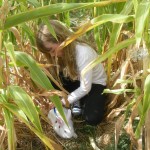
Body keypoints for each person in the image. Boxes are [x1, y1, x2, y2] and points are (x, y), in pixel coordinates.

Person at [36, 20, 107, 126]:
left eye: (51, 50)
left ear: (60, 39)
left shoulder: (83, 52)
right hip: (76, 79)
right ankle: (77, 99)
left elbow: (85, 88)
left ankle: (78, 100)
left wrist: (62, 102)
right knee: (47, 77)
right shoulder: (64, 51)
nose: (51, 55)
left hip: (94, 84)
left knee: (92, 118)